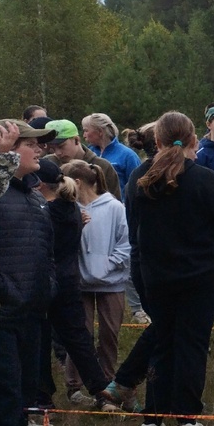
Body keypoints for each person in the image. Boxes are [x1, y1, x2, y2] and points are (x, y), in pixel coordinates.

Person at [126, 112, 214, 426]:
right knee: (190, 344)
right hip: (200, 277)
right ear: (194, 140)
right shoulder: (205, 179)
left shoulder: (139, 177)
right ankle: (186, 418)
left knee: (163, 342)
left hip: (156, 277)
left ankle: (153, 419)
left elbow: (134, 234)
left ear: (158, 141)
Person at [0, 119, 58, 426]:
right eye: (33, 144)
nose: (42, 150)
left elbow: (46, 249)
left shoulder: (33, 194)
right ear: (10, 149)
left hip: (31, 311)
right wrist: (8, 291)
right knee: (0, 392)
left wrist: (47, 286)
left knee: (20, 391)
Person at [63, 160, 130, 392]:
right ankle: (75, 385)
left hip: (110, 282)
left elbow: (126, 243)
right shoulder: (69, 210)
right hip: (79, 282)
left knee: (109, 335)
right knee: (81, 335)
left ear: (77, 183)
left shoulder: (114, 207)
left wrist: (107, 265)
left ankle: (108, 382)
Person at [43, 119, 121, 196]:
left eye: (61, 146)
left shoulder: (103, 166)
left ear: (76, 140)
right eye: (52, 149)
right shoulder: (46, 164)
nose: (57, 153)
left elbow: (115, 202)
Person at [82, 112, 142, 192]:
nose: (84, 135)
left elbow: (137, 186)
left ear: (100, 132)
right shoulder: (88, 152)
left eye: (86, 131)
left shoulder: (128, 155)